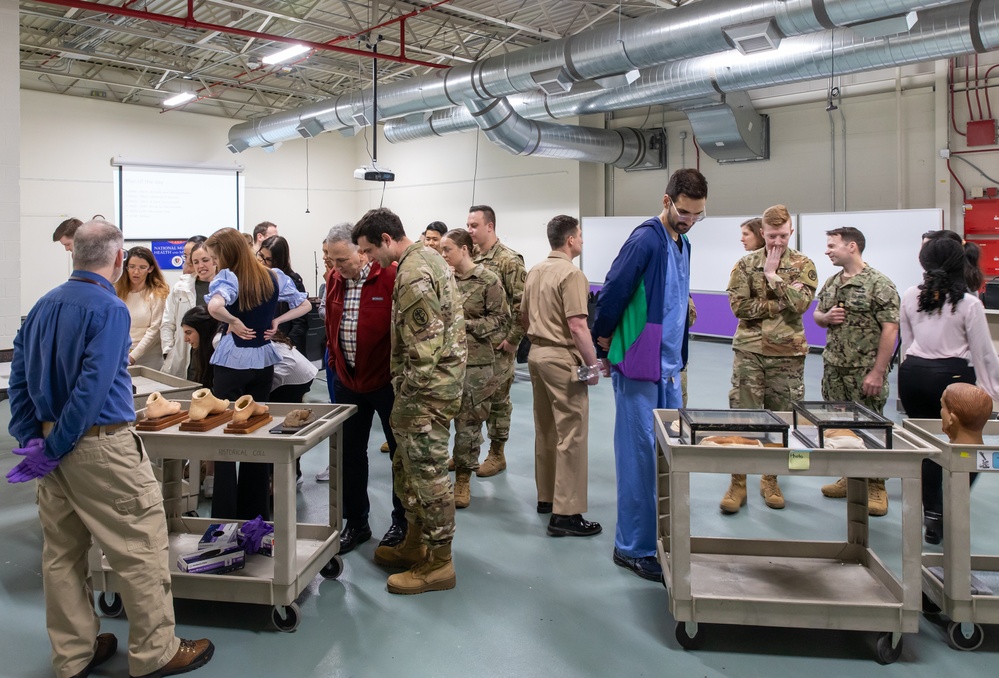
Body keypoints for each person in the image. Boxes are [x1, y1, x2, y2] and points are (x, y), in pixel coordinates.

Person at [6, 219, 214, 678]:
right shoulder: (109, 308)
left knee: (61, 553)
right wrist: (59, 444)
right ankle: (156, 652)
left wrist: (33, 439)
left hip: (50, 449)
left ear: (73, 254)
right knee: (139, 546)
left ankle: (73, 654)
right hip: (98, 446)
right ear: (119, 260)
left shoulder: (43, 305)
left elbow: (18, 377)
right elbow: (92, 389)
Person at [592, 168, 707, 582]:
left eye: (697, 214)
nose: (689, 219)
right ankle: (633, 546)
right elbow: (613, 291)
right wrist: (603, 340)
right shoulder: (645, 239)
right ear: (666, 200)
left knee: (665, 455)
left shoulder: (683, 243)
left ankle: (657, 534)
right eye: (684, 211)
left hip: (670, 368)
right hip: (641, 366)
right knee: (640, 456)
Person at [353, 207, 465, 595]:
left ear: (386, 239)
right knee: (410, 469)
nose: (369, 259)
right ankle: (416, 542)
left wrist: (406, 402)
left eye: (369, 250)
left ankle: (439, 562)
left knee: (429, 474)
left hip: (426, 393)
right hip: (432, 389)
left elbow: (425, 348)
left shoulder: (414, 270)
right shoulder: (426, 258)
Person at [203, 227, 311, 521]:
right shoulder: (274, 276)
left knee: (225, 434)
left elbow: (214, 306)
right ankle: (256, 511)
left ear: (226, 254)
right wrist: (277, 319)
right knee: (257, 432)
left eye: (214, 257)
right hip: (263, 362)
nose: (214, 263)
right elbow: (305, 304)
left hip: (232, 363)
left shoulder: (229, 278)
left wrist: (233, 321)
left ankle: (225, 514)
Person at [899, 235, 999, 544]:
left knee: (926, 445)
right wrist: (993, 395)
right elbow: (983, 353)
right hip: (952, 376)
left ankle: (932, 516)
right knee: (969, 444)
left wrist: (909, 377)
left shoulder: (909, 295)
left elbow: (906, 343)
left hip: (913, 375)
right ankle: (951, 503)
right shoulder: (969, 303)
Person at [722, 204, 817, 514]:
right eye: (772, 235)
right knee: (743, 417)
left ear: (791, 232)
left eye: (783, 235)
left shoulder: (803, 264)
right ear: (762, 232)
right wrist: (777, 305)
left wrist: (772, 276)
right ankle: (738, 483)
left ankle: (770, 479)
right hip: (749, 352)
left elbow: (801, 304)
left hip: (787, 356)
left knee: (781, 420)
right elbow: (739, 308)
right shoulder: (745, 264)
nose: (777, 241)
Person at [323, 223, 407, 552]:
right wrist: (335, 366)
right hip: (348, 382)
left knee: (399, 455)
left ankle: (401, 522)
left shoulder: (391, 276)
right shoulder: (334, 280)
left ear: (361, 251)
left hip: (385, 384)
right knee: (350, 455)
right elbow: (332, 326)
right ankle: (356, 522)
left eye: (342, 260)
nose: (337, 267)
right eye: (332, 260)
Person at [522, 215, 601, 537]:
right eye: (579, 235)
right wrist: (593, 364)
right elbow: (578, 325)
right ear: (570, 239)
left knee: (545, 429)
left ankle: (546, 498)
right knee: (572, 433)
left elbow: (524, 315)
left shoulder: (535, 271)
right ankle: (566, 513)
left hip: (536, 355)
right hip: (560, 357)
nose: (581, 240)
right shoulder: (572, 274)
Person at [813, 227, 899, 516]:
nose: (827, 251)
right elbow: (817, 314)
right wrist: (825, 317)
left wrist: (878, 372)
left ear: (852, 247)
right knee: (840, 427)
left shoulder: (879, 284)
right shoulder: (832, 282)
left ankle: (876, 485)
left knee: (873, 428)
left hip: (864, 371)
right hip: (834, 370)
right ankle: (850, 477)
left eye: (832, 245)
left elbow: (891, 329)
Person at [440, 229, 509, 509]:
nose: (443, 255)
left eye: (448, 250)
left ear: (465, 250)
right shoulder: (444, 280)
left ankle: (464, 479)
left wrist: (465, 326)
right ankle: (453, 464)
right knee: (444, 417)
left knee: (469, 422)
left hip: (477, 363)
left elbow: (501, 319)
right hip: (446, 361)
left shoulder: (487, 280)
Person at [467, 205, 525, 477]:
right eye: (468, 225)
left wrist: (514, 340)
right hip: (473, 348)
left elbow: (521, 304)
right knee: (470, 402)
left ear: (490, 226)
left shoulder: (508, 260)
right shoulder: (470, 257)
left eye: (474, 225)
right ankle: (467, 453)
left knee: (499, 402)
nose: (470, 230)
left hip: (499, 347)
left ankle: (497, 454)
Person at [269, 331, 319, 489]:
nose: (188, 339)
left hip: (292, 377)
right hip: (300, 372)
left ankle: (286, 476)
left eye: (189, 333)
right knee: (286, 426)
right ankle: (291, 474)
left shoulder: (219, 340)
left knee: (282, 427)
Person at [181, 305, 221, 498]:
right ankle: (204, 470)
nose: (185, 339)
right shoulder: (197, 350)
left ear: (202, 330)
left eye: (189, 332)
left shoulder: (218, 345)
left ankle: (211, 475)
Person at [161, 238, 215, 378]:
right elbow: (168, 323)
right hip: (186, 357)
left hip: (214, 356)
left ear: (215, 259)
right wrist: (168, 351)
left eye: (205, 260)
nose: (200, 266)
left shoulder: (227, 287)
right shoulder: (181, 288)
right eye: (196, 262)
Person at [116, 246, 170, 368]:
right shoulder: (118, 292)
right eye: (132, 267)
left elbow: (155, 329)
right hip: (122, 353)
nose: (136, 272)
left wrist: (133, 356)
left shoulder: (157, 294)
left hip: (148, 358)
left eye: (142, 267)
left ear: (150, 269)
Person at [259, 235, 308, 355]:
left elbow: (300, 323)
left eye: (268, 259)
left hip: (284, 343)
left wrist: (288, 345)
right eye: (260, 256)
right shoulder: (258, 277)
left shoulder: (289, 281)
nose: (262, 262)